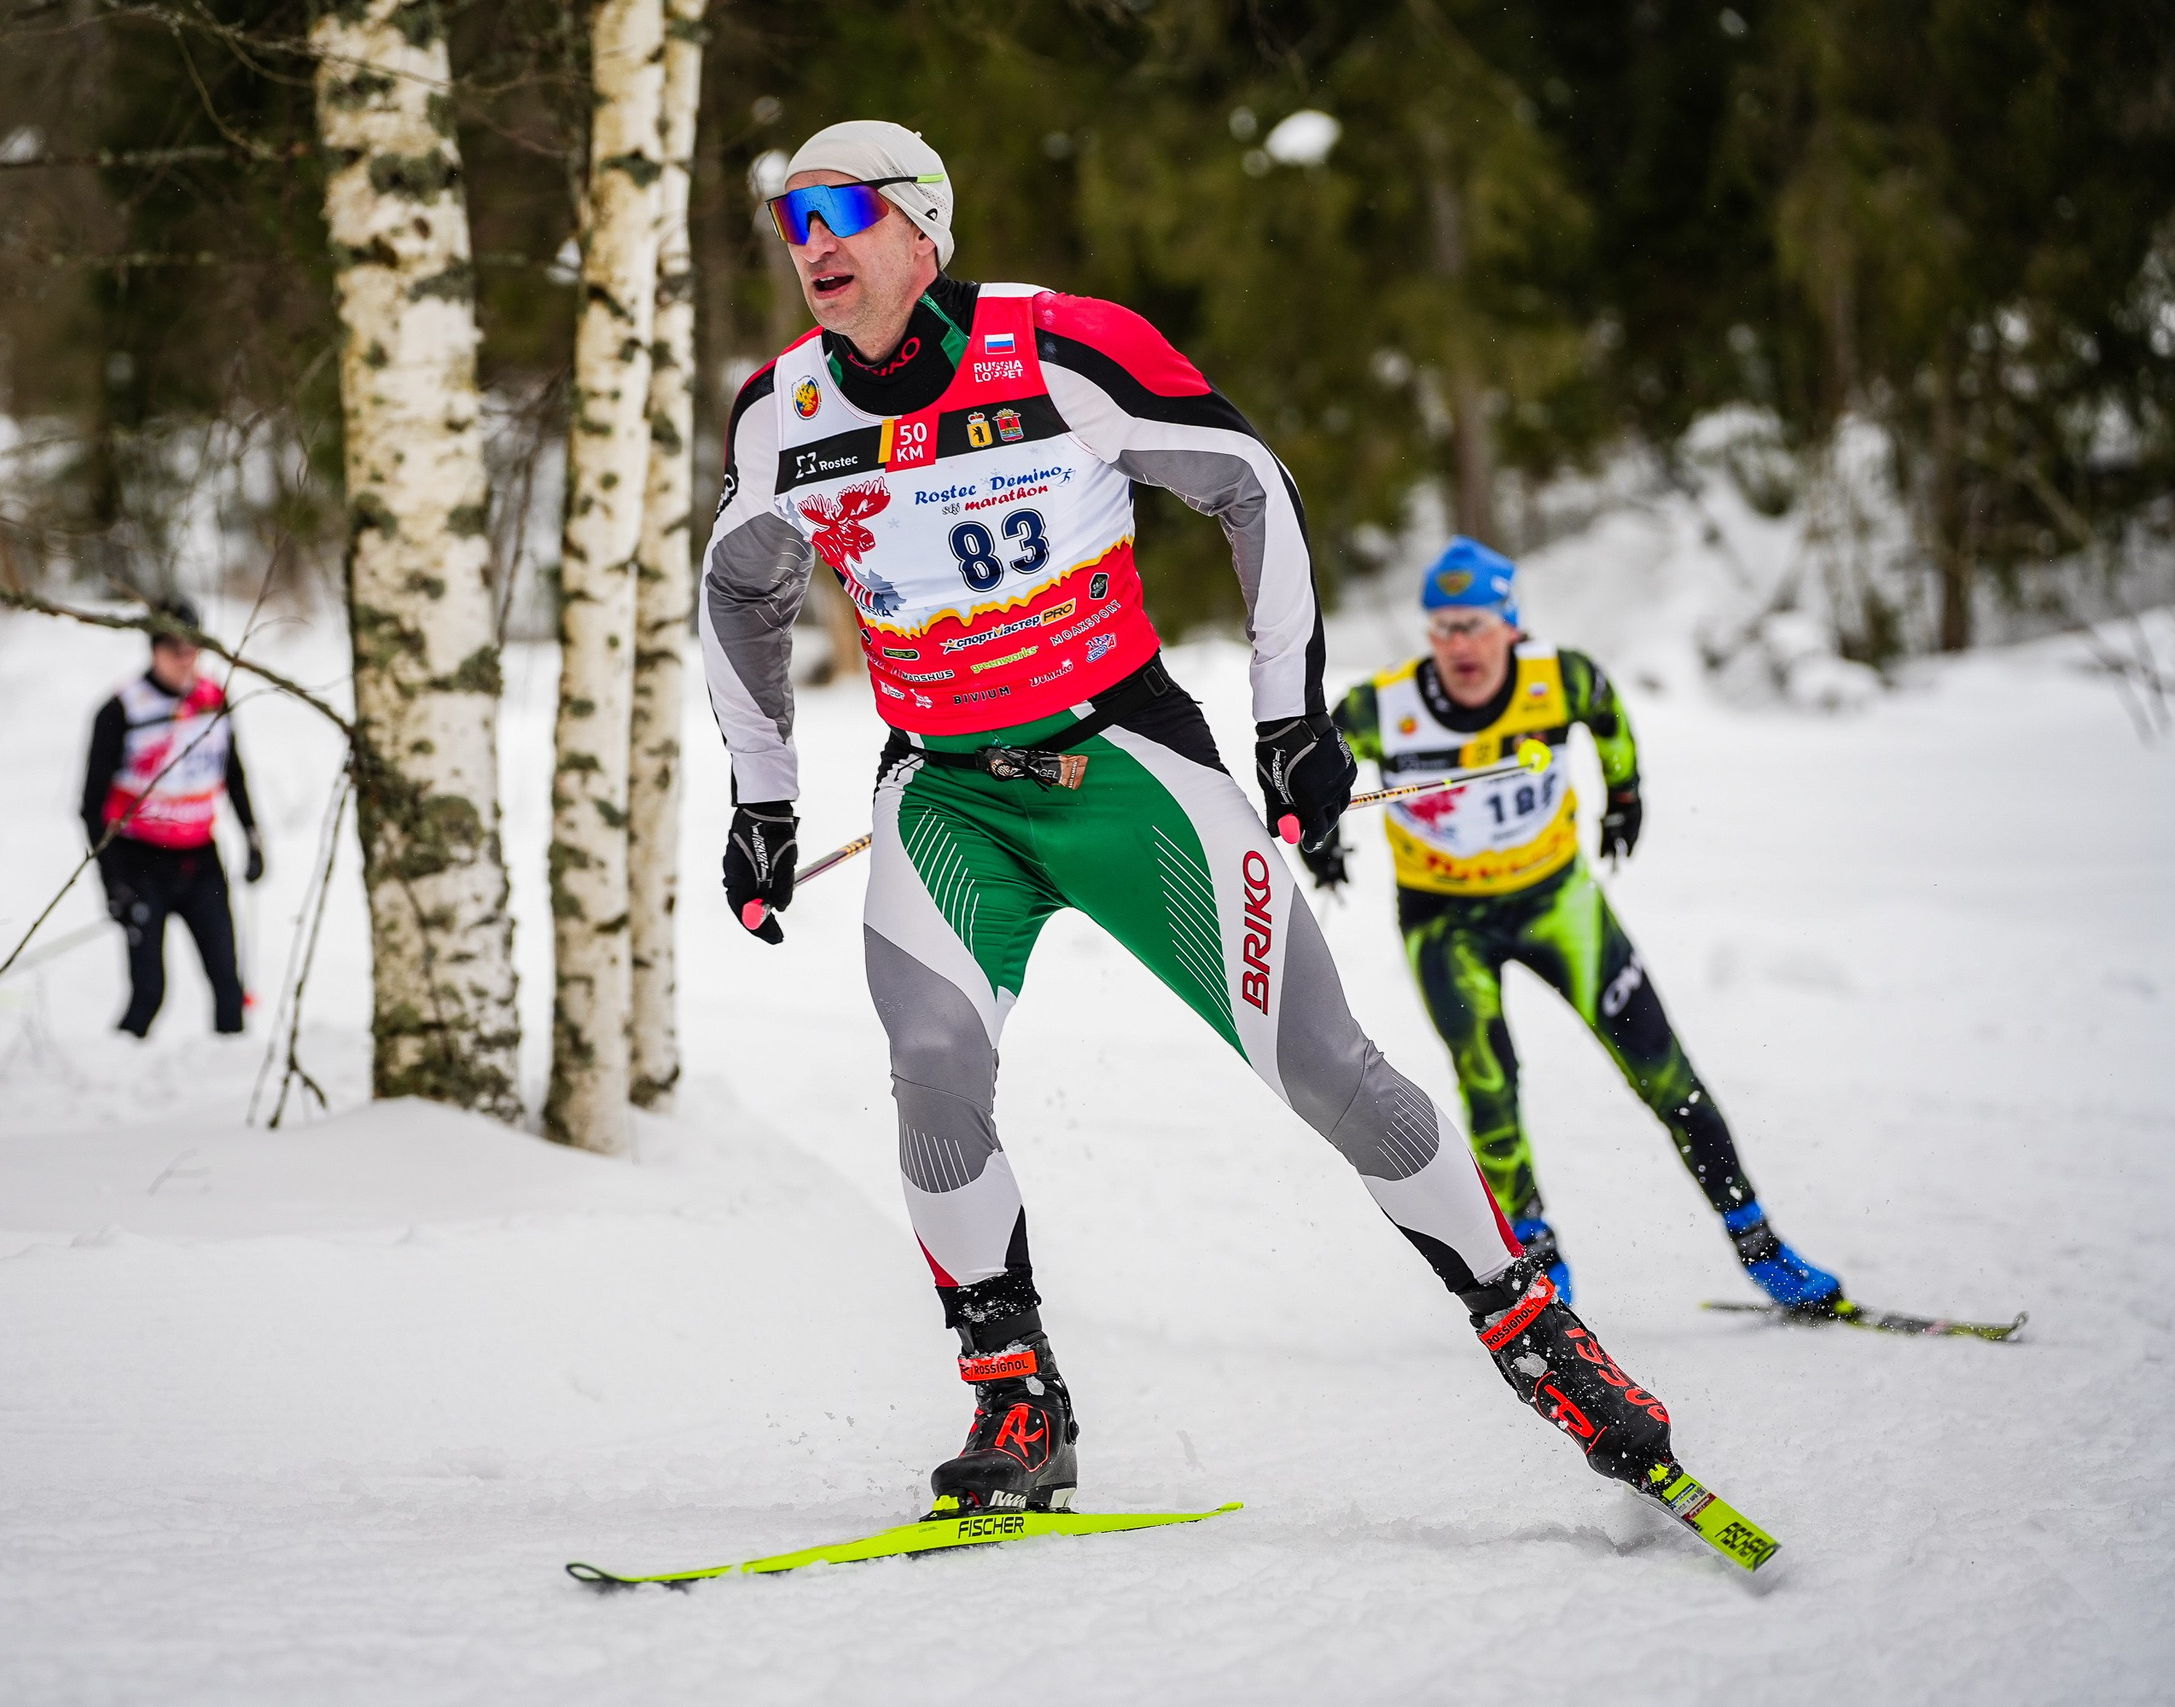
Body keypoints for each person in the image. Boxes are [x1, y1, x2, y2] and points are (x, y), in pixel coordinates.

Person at [701, 121, 1691, 1517]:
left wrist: (1292, 715)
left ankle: (1541, 1337)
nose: (813, 239)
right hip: (943, 795)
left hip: (1122, 768)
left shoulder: (1059, 346)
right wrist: (761, 793)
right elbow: (738, 588)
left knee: (1330, 1068)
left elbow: (1250, 483)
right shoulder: (780, 412)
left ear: (925, 229)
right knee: (930, 1064)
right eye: (791, 216)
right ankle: (1015, 1393)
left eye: (846, 208)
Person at [1321, 536, 1843, 1313]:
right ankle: (1536, 1253)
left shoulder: (1559, 679)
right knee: (1490, 1084)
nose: (1459, 645)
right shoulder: (1380, 705)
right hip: (1446, 919)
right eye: (1442, 628)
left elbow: (1607, 717)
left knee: (1664, 1070)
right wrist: (1321, 832)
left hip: (1556, 900)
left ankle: (1759, 1243)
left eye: (1475, 624)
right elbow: (1321, 766)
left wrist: (1625, 795)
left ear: (1510, 624)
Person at [81, 600, 261, 1037]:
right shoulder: (122, 708)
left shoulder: (213, 699)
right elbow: (90, 805)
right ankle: (111, 1076)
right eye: (175, 650)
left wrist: (254, 838)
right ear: (154, 650)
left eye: (194, 649)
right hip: (141, 863)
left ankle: (230, 1084)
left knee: (228, 987)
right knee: (149, 993)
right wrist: (112, 882)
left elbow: (233, 774)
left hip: (200, 861)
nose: (186, 660)